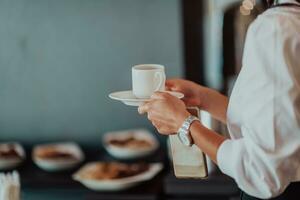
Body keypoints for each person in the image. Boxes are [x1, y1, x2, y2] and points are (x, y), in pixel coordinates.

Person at [138, 0, 300, 199]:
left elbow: (262, 172)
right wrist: (203, 97)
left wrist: (185, 125)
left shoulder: (276, 27)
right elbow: (282, 125)